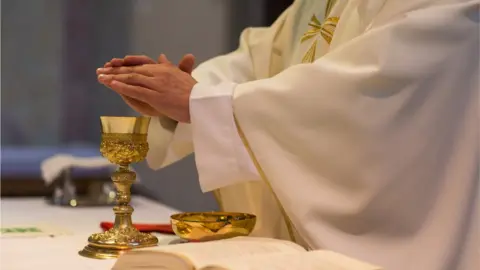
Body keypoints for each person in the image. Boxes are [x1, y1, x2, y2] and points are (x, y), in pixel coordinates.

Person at [96, 0, 479, 269]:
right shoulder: (314, 6)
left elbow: (369, 95)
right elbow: (256, 61)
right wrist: (183, 93)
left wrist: (200, 100)